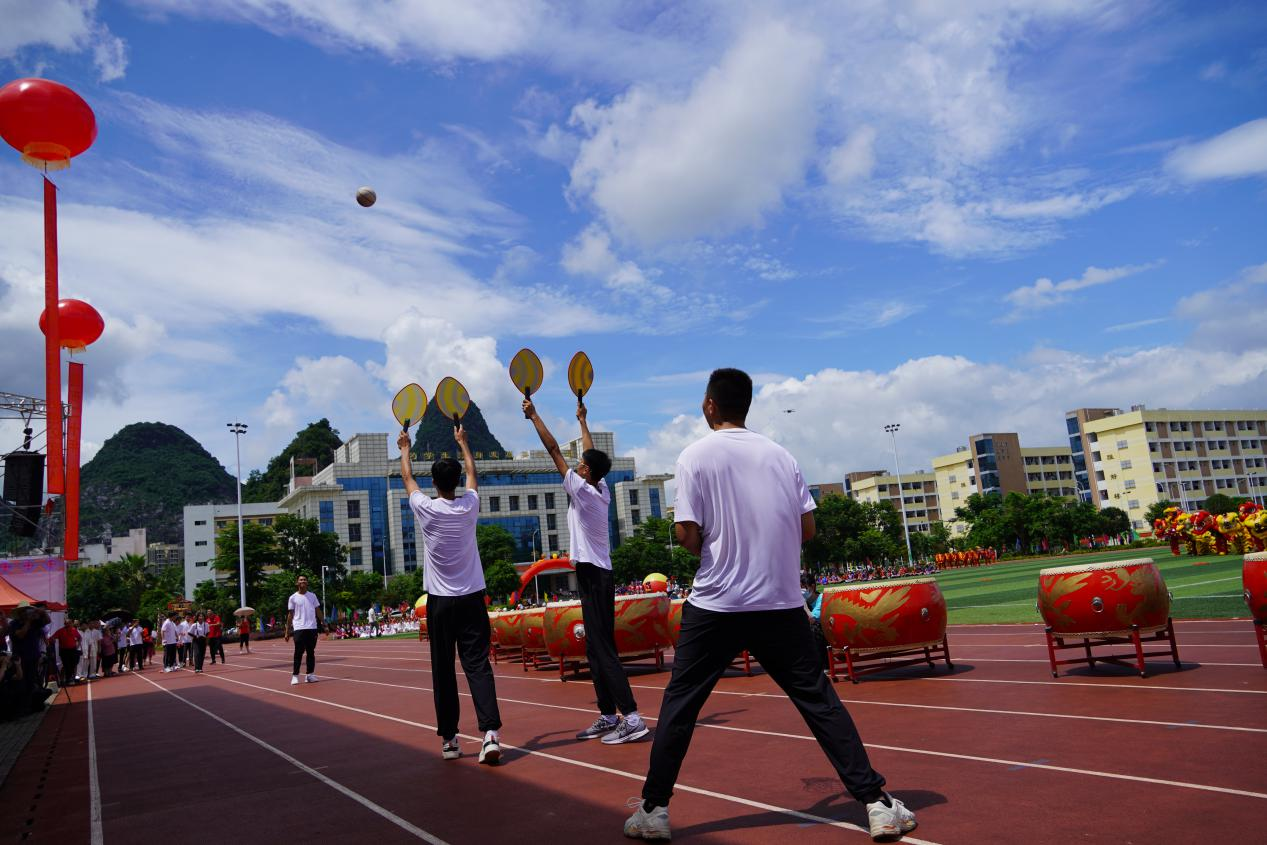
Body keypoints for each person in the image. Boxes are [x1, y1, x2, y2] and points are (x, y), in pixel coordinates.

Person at [624, 369, 916, 842]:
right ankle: (876, 804)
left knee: (680, 707)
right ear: (747, 405)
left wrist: (711, 544)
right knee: (818, 701)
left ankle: (654, 810)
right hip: (778, 603)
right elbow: (807, 530)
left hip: (716, 602)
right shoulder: (781, 456)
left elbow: (686, 534)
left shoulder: (694, 456)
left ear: (711, 405)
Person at [523, 396, 646, 745]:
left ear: (586, 473)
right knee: (594, 647)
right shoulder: (600, 487)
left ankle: (632, 716)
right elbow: (591, 455)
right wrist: (582, 423)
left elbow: (552, 451)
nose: (576, 466)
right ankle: (608, 714)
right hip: (596, 575)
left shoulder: (583, 491)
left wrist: (534, 417)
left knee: (603, 649)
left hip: (594, 574)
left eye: (580, 464)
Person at [399, 422, 502, 765]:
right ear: (457, 482)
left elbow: (407, 480)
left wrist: (404, 448)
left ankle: (450, 740)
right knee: (478, 666)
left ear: (434, 483)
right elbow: (473, 474)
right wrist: (464, 442)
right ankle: (489, 736)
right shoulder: (469, 506)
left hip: (440, 603)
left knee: (443, 670)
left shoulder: (426, 509)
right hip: (473, 598)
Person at [284, 575, 322, 685]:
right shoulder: (293, 598)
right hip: (299, 628)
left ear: (307, 582)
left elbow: (318, 611)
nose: (303, 581)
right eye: (301, 580)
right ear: (297, 583)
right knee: (298, 653)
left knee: (311, 652)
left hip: (312, 628)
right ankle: (295, 676)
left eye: (305, 579)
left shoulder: (312, 596)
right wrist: (287, 631)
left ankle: (310, 675)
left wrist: (324, 624)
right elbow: (290, 616)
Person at [51, 618, 81, 687]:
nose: (68, 624)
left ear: (72, 624)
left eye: (69, 623)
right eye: (66, 623)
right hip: (64, 650)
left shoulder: (74, 630)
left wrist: (78, 645)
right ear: (64, 624)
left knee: (73, 664)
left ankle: (70, 678)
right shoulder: (60, 631)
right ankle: (67, 679)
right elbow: (52, 637)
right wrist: (53, 640)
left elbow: (79, 638)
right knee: (66, 665)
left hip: (73, 650)